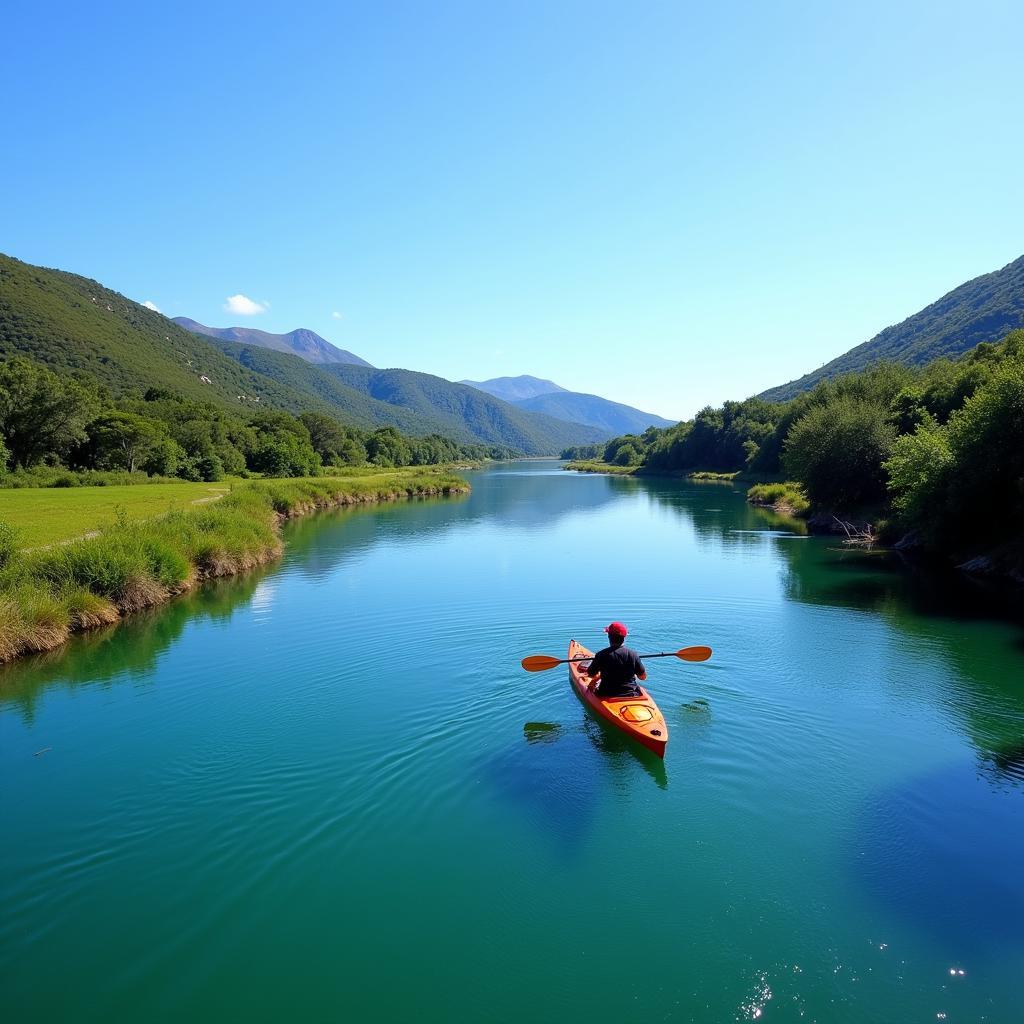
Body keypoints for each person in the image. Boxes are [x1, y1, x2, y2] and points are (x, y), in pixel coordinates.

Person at [583, 622, 647, 697]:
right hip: (631, 694)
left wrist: (600, 675)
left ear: (609, 637)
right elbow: (642, 677)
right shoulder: (633, 655)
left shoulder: (601, 655)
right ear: (624, 638)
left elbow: (591, 674)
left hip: (606, 694)